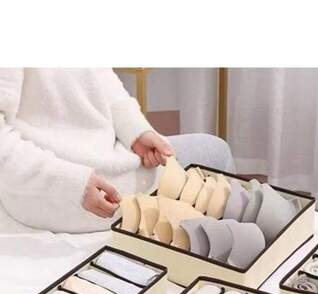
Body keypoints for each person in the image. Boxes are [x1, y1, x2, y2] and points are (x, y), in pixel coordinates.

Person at [0, 68, 235, 233]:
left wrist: (137, 132)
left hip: (108, 166)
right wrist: (71, 183)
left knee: (216, 153)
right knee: (217, 155)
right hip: (76, 195)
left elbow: (102, 80)